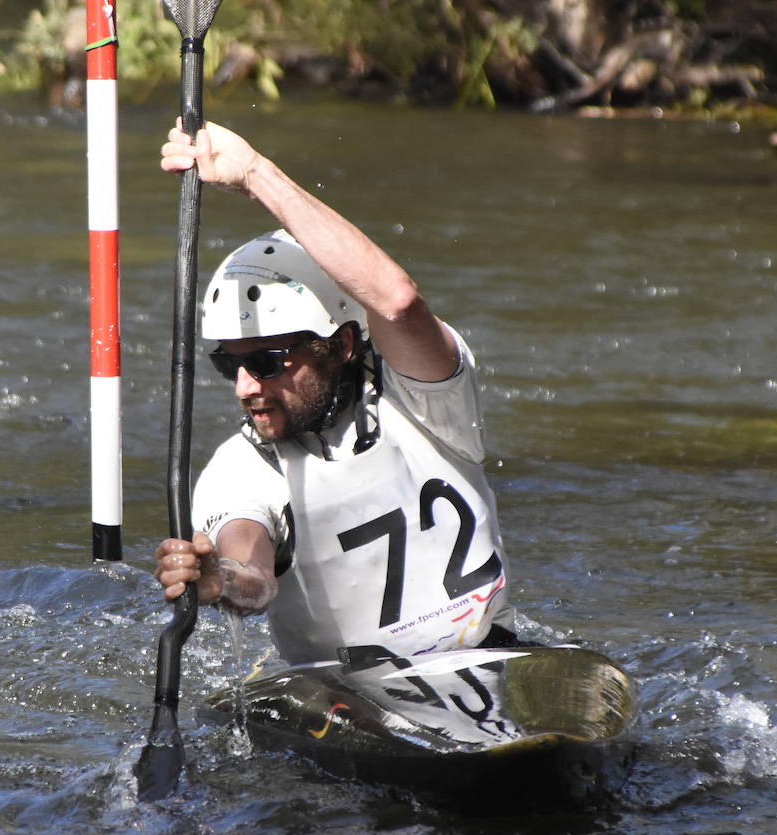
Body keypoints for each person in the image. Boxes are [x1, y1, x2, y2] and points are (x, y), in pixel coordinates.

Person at [153, 121, 518, 666]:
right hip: (348, 702)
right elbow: (252, 574)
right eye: (229, 363)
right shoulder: (239, 470)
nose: (246, 386)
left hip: (495, 658)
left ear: (342, 344)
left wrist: (255, 174)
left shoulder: (427, 402)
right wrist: (219, 577)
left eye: (268, 361)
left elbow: (396, 302)